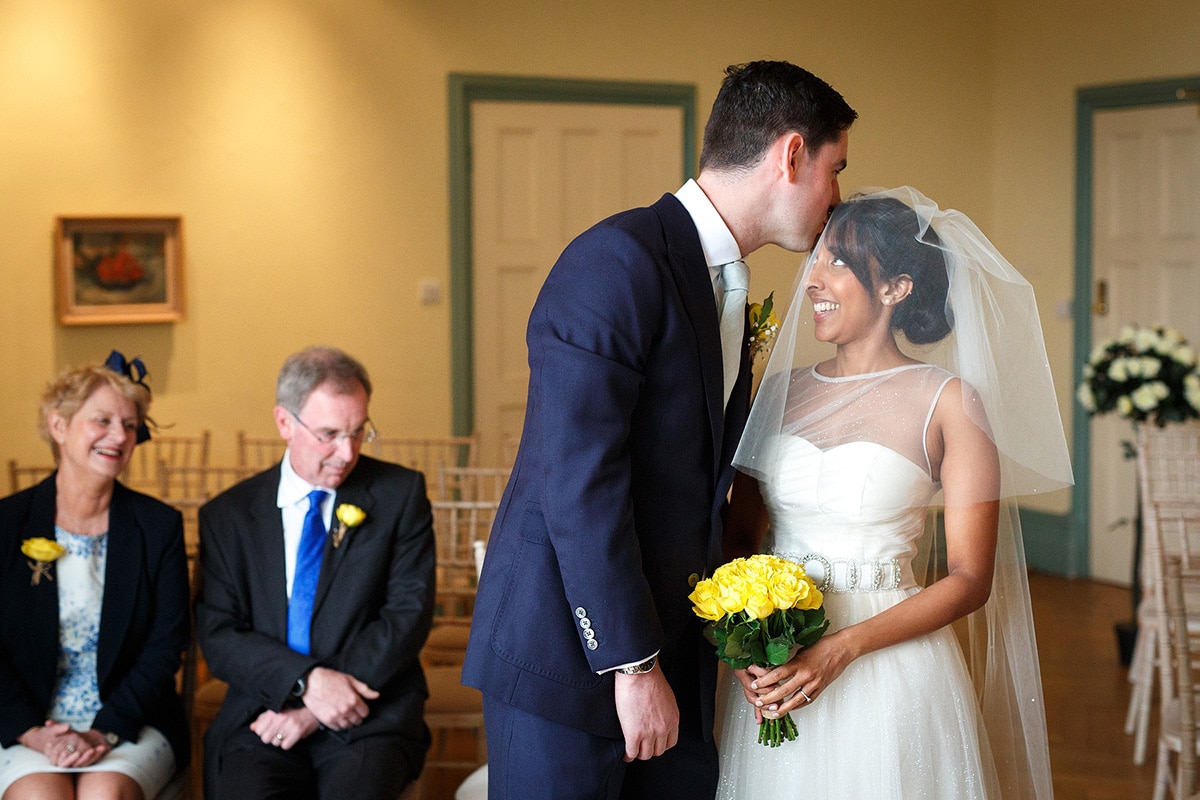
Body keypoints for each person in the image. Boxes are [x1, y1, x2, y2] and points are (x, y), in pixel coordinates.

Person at [462, 60, 857, 800]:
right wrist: (633, 665)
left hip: (677, 651)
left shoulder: (724, 282)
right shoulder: (614, 262)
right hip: (571, 659)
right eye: (835, 169)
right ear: (792, 154)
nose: (836, 197)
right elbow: (577, 481)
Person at [717, 187, 1074, 799]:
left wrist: (840, 649)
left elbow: (969, 578)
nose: (813, 283)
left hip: (891, 669)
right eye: (816, 260)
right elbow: (737, 541)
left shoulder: (951, 404)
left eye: (839, 264)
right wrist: (745, 640)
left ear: (896, 288)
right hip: (777, 667)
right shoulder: (779, 390)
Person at [194, 346, 434, 800]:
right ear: (285, 423)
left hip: (370, 713)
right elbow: (220, 634)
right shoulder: (228, 516)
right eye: (329, 434)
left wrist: (318, 709)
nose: (347, 453)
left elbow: (408, 614)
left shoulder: (399, 495)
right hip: (263, 711)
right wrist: (306, 682)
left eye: (359, 431)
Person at [0, 352, 190, 800]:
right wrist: (32, 731)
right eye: (101, 420)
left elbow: (166, 647)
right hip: (23, 722)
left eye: (129, 425)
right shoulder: (7, 524)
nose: (118, 436)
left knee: (104, 795)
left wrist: (104, 731)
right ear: (59, 426)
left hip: (130, 721)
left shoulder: (158, 526)